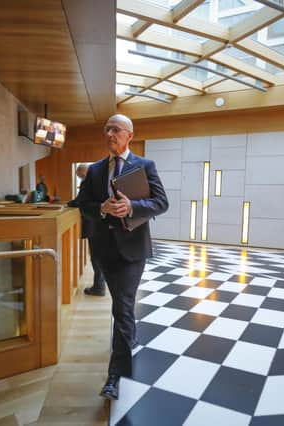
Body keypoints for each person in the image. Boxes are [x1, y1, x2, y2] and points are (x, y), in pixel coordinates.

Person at [76, 114, 168, 400]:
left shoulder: (144, 166)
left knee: (123, 306)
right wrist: (101, 208)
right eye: (107, 129)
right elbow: (82, 204)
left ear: (129, 135)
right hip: (104, 250)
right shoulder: (95, 170)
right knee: (121, 304)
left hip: (133, 250)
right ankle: (129, 337)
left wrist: (132, 207)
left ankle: (114, 377)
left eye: (115, 129)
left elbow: (160, 202)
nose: (109, 134)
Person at [68, 164, 106, 296]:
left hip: (93, 224)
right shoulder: (98, 181)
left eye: (80, 175)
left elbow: (80, 201)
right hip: (99, 223)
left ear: (85, 173)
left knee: (96, 256)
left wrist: (68, 204)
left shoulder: (89, 182)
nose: (80, 178)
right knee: (98, 255)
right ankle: (100, 284)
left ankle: (99, 286)